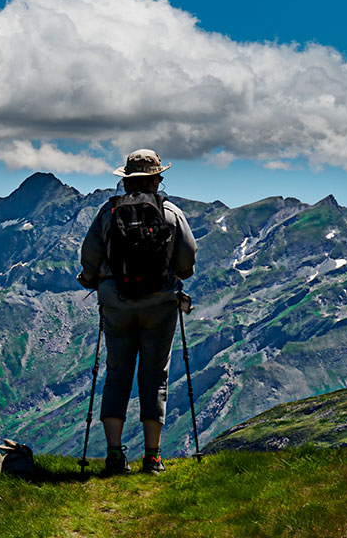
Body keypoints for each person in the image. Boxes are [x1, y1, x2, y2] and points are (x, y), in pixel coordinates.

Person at [77, 149, 197, 475]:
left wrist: (94, 279)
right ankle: (153, 457)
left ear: (126, 180)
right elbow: (187, 261)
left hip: (116, 303)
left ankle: (114, 456)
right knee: (154, 377)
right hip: (160, 305)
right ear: (157, 179)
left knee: (117, 375)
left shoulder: (108, 212)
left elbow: (89, 258)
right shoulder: (171, 213)